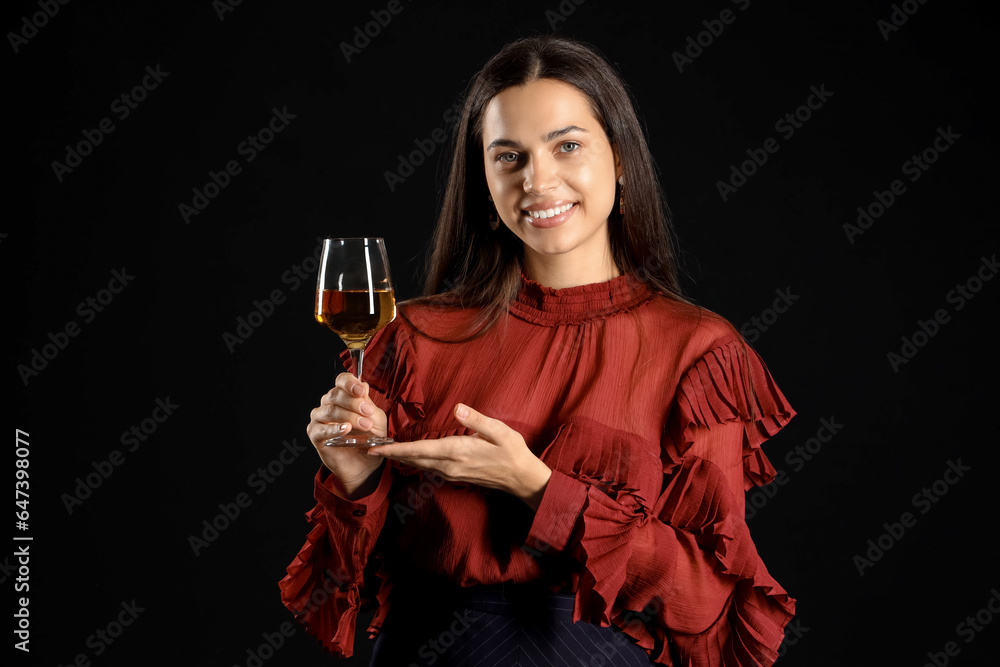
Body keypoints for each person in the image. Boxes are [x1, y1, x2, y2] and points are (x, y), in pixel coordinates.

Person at [281, 34, 796, 666]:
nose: (538, 180)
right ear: (486, 183)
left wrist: (537, 487)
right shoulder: (412, 338)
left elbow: (700, 603)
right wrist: (357, 482)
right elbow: (338, 592)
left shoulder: (698, 352)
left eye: (568, 146)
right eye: (509, 157)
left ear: (621, 159)